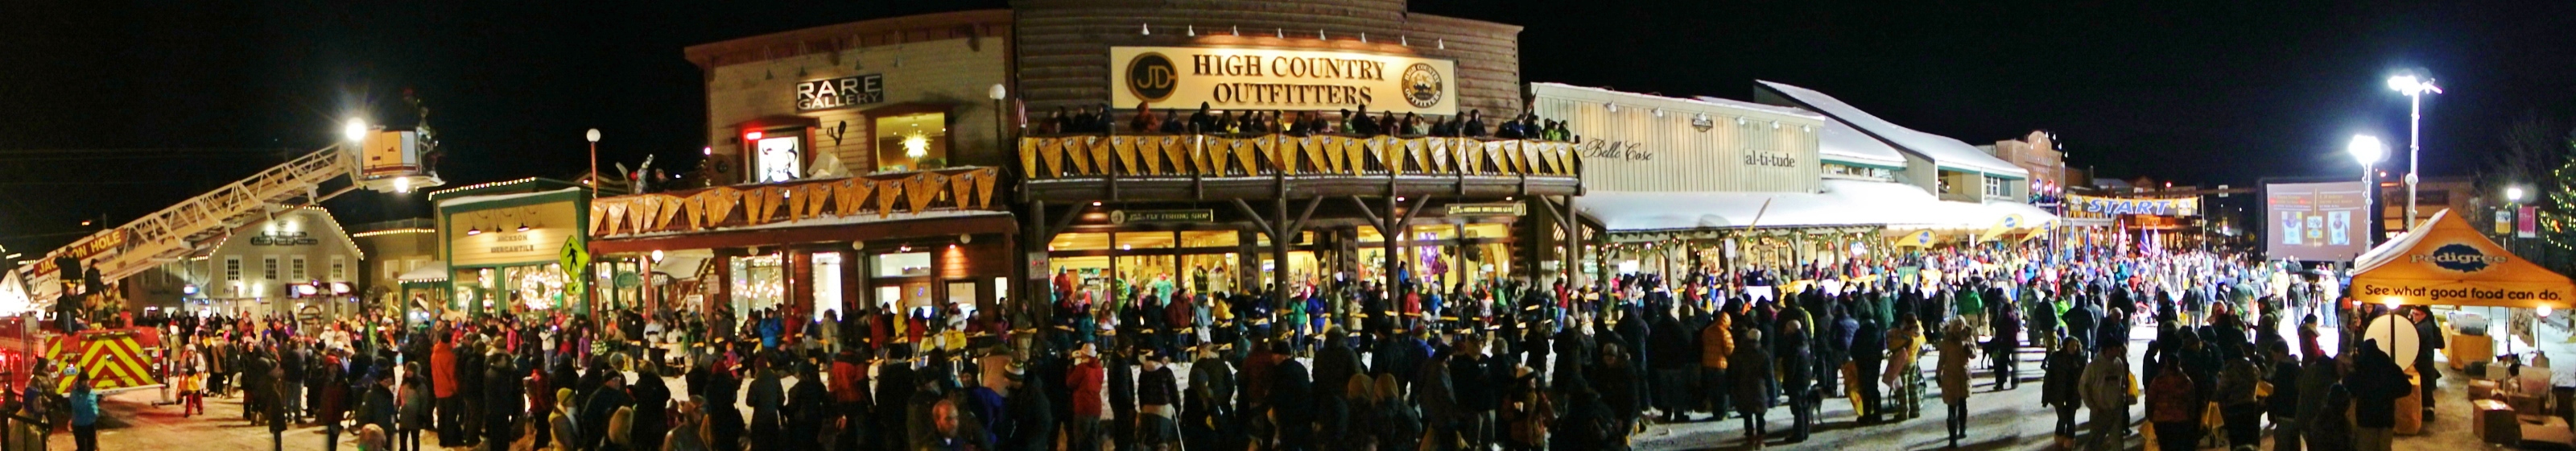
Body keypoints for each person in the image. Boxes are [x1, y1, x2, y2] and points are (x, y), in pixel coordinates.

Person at [2347, 340, 2412, 451]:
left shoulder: (2361, 368)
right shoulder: (2390, 366)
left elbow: (2349, 387)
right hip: (2386, 417)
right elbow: (2407, 388)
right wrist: (2390, 394)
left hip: (2366, 419)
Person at [2080, 340, 2135, 450]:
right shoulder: (2094, 366)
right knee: (2095, 442)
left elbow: (2123, 382)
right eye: (2117, 349)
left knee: (2118, 441)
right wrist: (2093, 406)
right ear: (2108, 350)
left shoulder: (2118, 363)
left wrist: (2122, 398)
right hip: (2100, 411)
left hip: (2115, 410)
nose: (2119, 352)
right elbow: (2083, 387)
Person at [1933, 318, 1975, 448]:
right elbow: (1942, 359)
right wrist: (1938, 373)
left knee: (1962, 403)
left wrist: (1970, 350)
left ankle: (1962, 429)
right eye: (1956, 325)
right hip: (1950, 376)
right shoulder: (1947, 341)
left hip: (1963, 375)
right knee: (1951, 406)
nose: (1959, 327)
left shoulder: (1968, 338)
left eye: (1961, 325)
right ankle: (1952, 438)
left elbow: (1974, 355)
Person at [2147, 350, 2201, 451]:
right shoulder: (2185, 381)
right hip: (2180, 420)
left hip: (2162, 421)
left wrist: (2151, 416)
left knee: (2165, 447)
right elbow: (2191, 401)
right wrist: (2191, 417)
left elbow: (2150, 399)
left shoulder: (2159, 380)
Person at [1730, 329, 1775, 449]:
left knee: (1747, 416)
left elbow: (1734, 374)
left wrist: (1733, 391)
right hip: (1760, 389)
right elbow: (1770, 377)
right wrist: (1773, 394)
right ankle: (1760, 442)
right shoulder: (1763, 354)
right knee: (1760, 416)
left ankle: (1749, 441)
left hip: (1743, 388)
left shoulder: (1739, 353)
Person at [2041, 332, 2087, 448]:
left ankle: (2070, 440)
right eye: (2072, 345)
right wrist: (2046, 397)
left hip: (2074, 394)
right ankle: (2060, 436)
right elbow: (2049, 377)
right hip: (2059, 394)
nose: (2074, 348)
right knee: (2062, 418)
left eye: (2076, 346)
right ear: (2066, 345)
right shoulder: (2056, 357)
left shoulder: (2081, 359)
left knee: (2071, 418)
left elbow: (2085, 378)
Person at [68, 374, 97, 451]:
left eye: (88, 380)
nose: (87, 383)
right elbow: (77, 406)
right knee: (82, 448)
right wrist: (85, 395)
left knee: (91, 447)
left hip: (90, 423)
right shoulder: (75, 393)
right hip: (79, 424)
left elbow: (94, 403)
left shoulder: (91, 391)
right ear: (81, 381)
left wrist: (95, 413)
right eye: (85, 381)